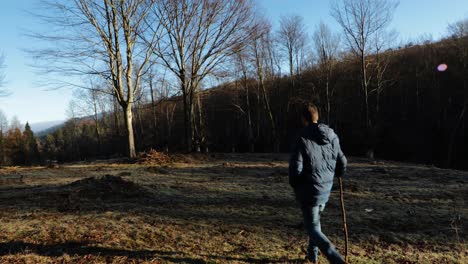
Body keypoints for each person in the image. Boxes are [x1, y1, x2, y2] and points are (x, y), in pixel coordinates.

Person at [289, 102, 347, 264]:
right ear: (317, 117)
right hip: (325, 189)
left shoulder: (301, 139)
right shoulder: (332, 136)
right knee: (316, 222)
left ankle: (337, 260)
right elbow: (342, 162)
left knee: (313, 229)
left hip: (309, 191)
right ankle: (311, 255)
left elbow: (295, 169)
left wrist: (296, 185)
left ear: (303, 119)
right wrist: (337, 174)